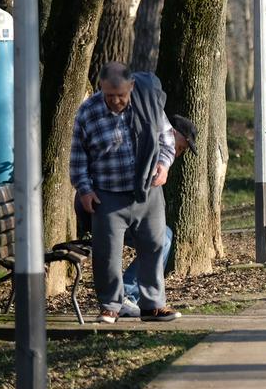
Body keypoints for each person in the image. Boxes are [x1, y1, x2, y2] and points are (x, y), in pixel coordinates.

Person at [69, 62, 179, 324]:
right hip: (107, 194)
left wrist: (163, 166)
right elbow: (78, 158)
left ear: (131, 87)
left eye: (120, 95)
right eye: (109, 95)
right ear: (101, 89)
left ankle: (152, 305)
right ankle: (110, 305)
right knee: (107, 253)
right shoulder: (88, 112)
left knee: (154, 244)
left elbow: (167, 141)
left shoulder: (148, 104)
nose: (115, 101)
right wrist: (84, 190)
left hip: (147, 190)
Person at [119, 114, 197, 318]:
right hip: (116, 213)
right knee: (161, 239)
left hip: (132, 214)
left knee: (165, 235)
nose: (179, 153)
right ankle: (127, 294)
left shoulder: (160, 159)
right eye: (181, 147)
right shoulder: (149, 147)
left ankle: (141, 296)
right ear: (173, 134)